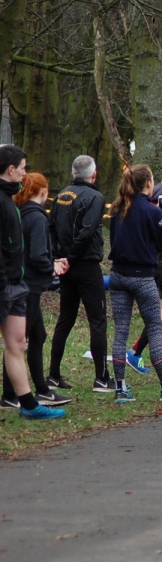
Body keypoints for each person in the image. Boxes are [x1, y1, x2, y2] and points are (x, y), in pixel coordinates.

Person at [108, 165, 162, 404]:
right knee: (155, 329)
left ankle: (120, 388)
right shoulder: (152, 212)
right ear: (148, 184)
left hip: (118, 275)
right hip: (143, 276)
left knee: (121, 332)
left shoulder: (117, 209)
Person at [0, 147, 65, 419]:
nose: (25, 173)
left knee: (18, 343)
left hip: (17, 284)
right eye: (23, 167)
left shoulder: (12, 200)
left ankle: (28, 405)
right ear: (11, 169)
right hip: (6, 283)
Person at [47, 155, 112, 392]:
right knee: (97, 320)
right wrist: (71, 258)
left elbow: (51, 227)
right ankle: (101, 378)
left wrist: (58, 257)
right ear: (93, 175)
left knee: (65, 319)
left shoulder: (60, 196)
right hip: (84, 265)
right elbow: (87, 232)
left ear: (73, 173)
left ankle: (53, 374)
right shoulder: (95, 197)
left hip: (65, 266)